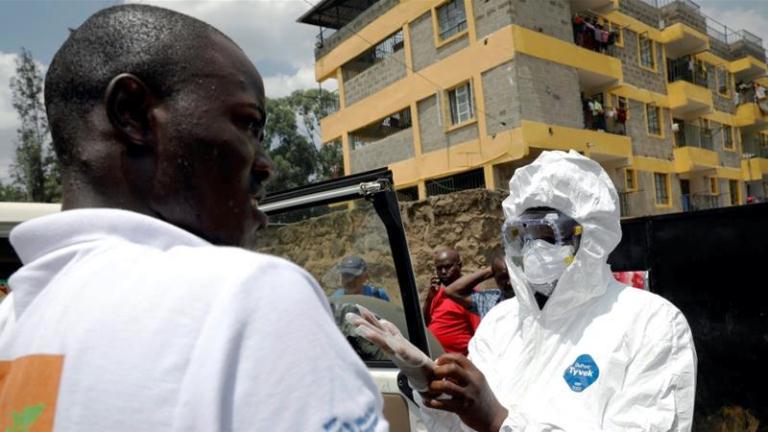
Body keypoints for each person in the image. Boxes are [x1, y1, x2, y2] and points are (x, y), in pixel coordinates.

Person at [0, 5, 387, 431]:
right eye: (248, 124)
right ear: (131, 113)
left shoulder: (13, 321)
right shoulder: (248, 297)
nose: (265, 165)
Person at [350, 150, 697, 431]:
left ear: (591, 235)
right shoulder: (501, 323)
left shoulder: (650, 323)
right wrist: (430, 388)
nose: (533, 249)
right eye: (522, 235)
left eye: (548, 234)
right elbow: (462, 428)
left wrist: (498, 421)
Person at [423, 247, 480, 355]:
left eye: (448, 267)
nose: (443, 272)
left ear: (459, 266)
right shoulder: (438, 292)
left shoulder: (468, 295)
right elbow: (424, 324)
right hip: (434, 356)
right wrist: (429, 298)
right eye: (439, 268)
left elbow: (480, 332)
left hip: (457, 360)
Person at [443, 251, 514, 319]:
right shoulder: (489, 301)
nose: (509, 282)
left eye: (513, 277)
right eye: (503, 278)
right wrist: (492, 269)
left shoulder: (521, 300)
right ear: (495, 278)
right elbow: (451, 291)